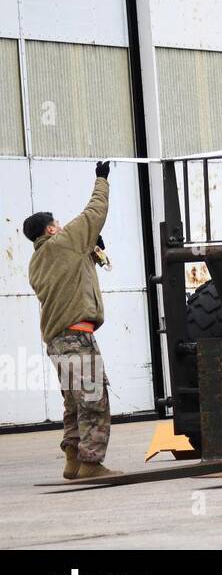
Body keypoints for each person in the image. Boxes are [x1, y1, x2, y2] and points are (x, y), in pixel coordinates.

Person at [24, 161, 120, 480]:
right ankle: (92, 463)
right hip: (77, 339)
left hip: (57, 343)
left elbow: (70, 277)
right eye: (59, 224)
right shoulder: (63, 243)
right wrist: (101, 179)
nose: (63, 227)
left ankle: (73, 460)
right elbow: (95, 212)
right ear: (51, 229)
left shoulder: (38, 261)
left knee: (73, 402)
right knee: (93, 398)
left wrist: (89, 254)